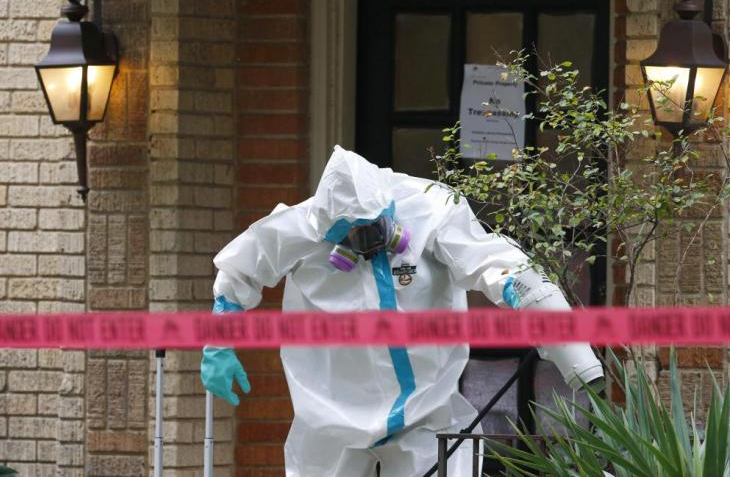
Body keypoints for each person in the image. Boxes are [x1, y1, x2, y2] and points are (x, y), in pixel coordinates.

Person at [200, 146, 603, 477]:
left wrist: (566, 344)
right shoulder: (299, 227)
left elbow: (499, 265)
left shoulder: (430, 209)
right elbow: (239, 270)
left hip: (426, 413)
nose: (366, 242)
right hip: (331, 415)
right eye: (352, 235)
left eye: (372, 228)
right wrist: (220, 343)